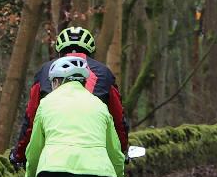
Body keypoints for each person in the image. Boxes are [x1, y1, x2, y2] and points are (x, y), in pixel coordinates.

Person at [11, 24, 129, 167]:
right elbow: (118, 121)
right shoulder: (105, 73)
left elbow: (31, 119)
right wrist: (123, 151)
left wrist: (19, 154)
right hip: (95, 158)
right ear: (90, 51)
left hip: (52, 160)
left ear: (60, 51)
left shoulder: (44, 71)